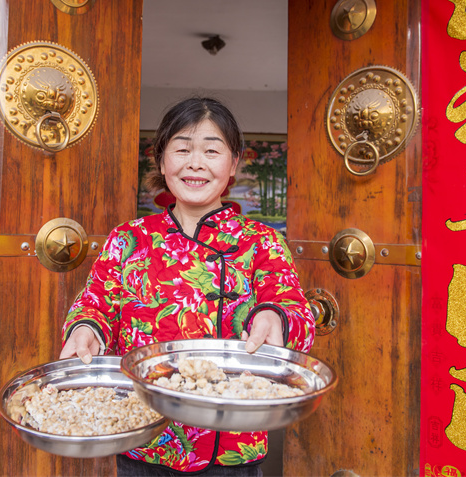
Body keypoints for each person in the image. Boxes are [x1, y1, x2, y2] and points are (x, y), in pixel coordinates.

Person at [60, 97, 315, 476]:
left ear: (233, 164)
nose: (195, 163)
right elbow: (95, 302)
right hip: (143, 439)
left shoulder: (261, 241)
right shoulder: (130, 238)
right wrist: (84, 328)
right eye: (182, 149)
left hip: (232, 445)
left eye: (212, 150)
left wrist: (273, 316)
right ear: (162, 161)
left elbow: (295, 310)